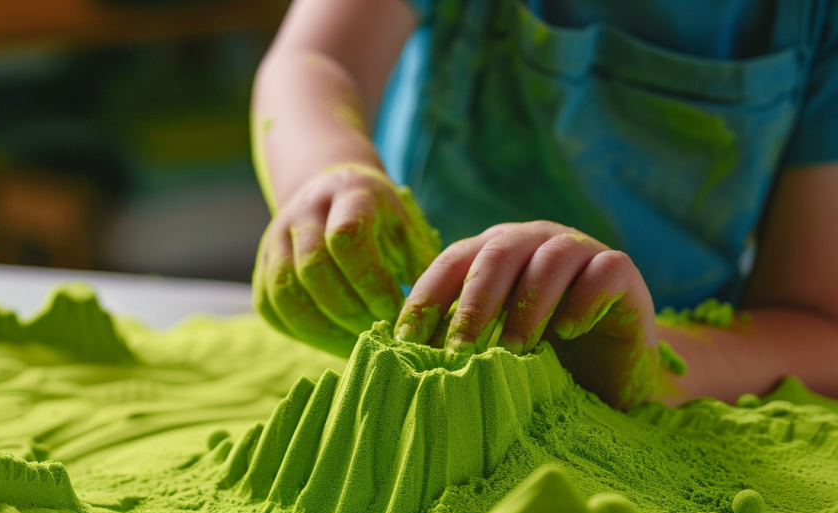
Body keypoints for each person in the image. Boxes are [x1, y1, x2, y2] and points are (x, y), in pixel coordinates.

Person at [249, 0, 838, 410]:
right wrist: (325, 175)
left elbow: (815, 323)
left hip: (679, 380)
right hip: (406, 342)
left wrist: (654, 364)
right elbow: (318, 60)